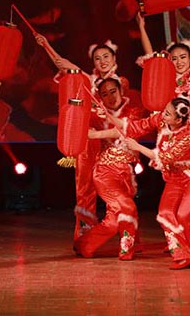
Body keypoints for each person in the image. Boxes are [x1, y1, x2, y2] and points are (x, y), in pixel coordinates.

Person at [35, 34, 130, 240]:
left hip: (114, 142)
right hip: (89, 139)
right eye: (97, 58)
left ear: (114, 59)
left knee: (119, 190)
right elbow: (64, 65)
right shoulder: (87, 80)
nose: (102, 61)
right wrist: (46, 45)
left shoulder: (120, 83)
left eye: (106, 57)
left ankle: (128, 236)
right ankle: (84, 235)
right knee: (85, 187)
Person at [110, 97, 190, 270]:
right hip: (175, 176)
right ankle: (184, 256)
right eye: (165, 111)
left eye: (168, 114)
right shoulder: (161, 120)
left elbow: (165, 157)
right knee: (165, 213)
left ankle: (185, 256)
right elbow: (136, 126)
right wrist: (108, 117)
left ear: (178, 120)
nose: (163, 115)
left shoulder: (187, 136)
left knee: (184, 215)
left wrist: (138, 147)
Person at [73, 77, 144, 260]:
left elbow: (124, 130)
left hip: (127, 173)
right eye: (105, 94)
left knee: (114, 219)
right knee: (127, 206)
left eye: (113, 92)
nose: (111, 97)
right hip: (106, 172)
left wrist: (96, 133)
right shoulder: (96, 117)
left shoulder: (134, 111)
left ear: (121, 91)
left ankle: (85, 244)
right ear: (101, 98)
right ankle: (127, 250)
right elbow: (80, 124)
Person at [136, 2, 190, 99]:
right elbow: (150, 56)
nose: (179, 62)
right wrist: (141, 27)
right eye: (174, 59)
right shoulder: (166, 78)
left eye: (183, 57)